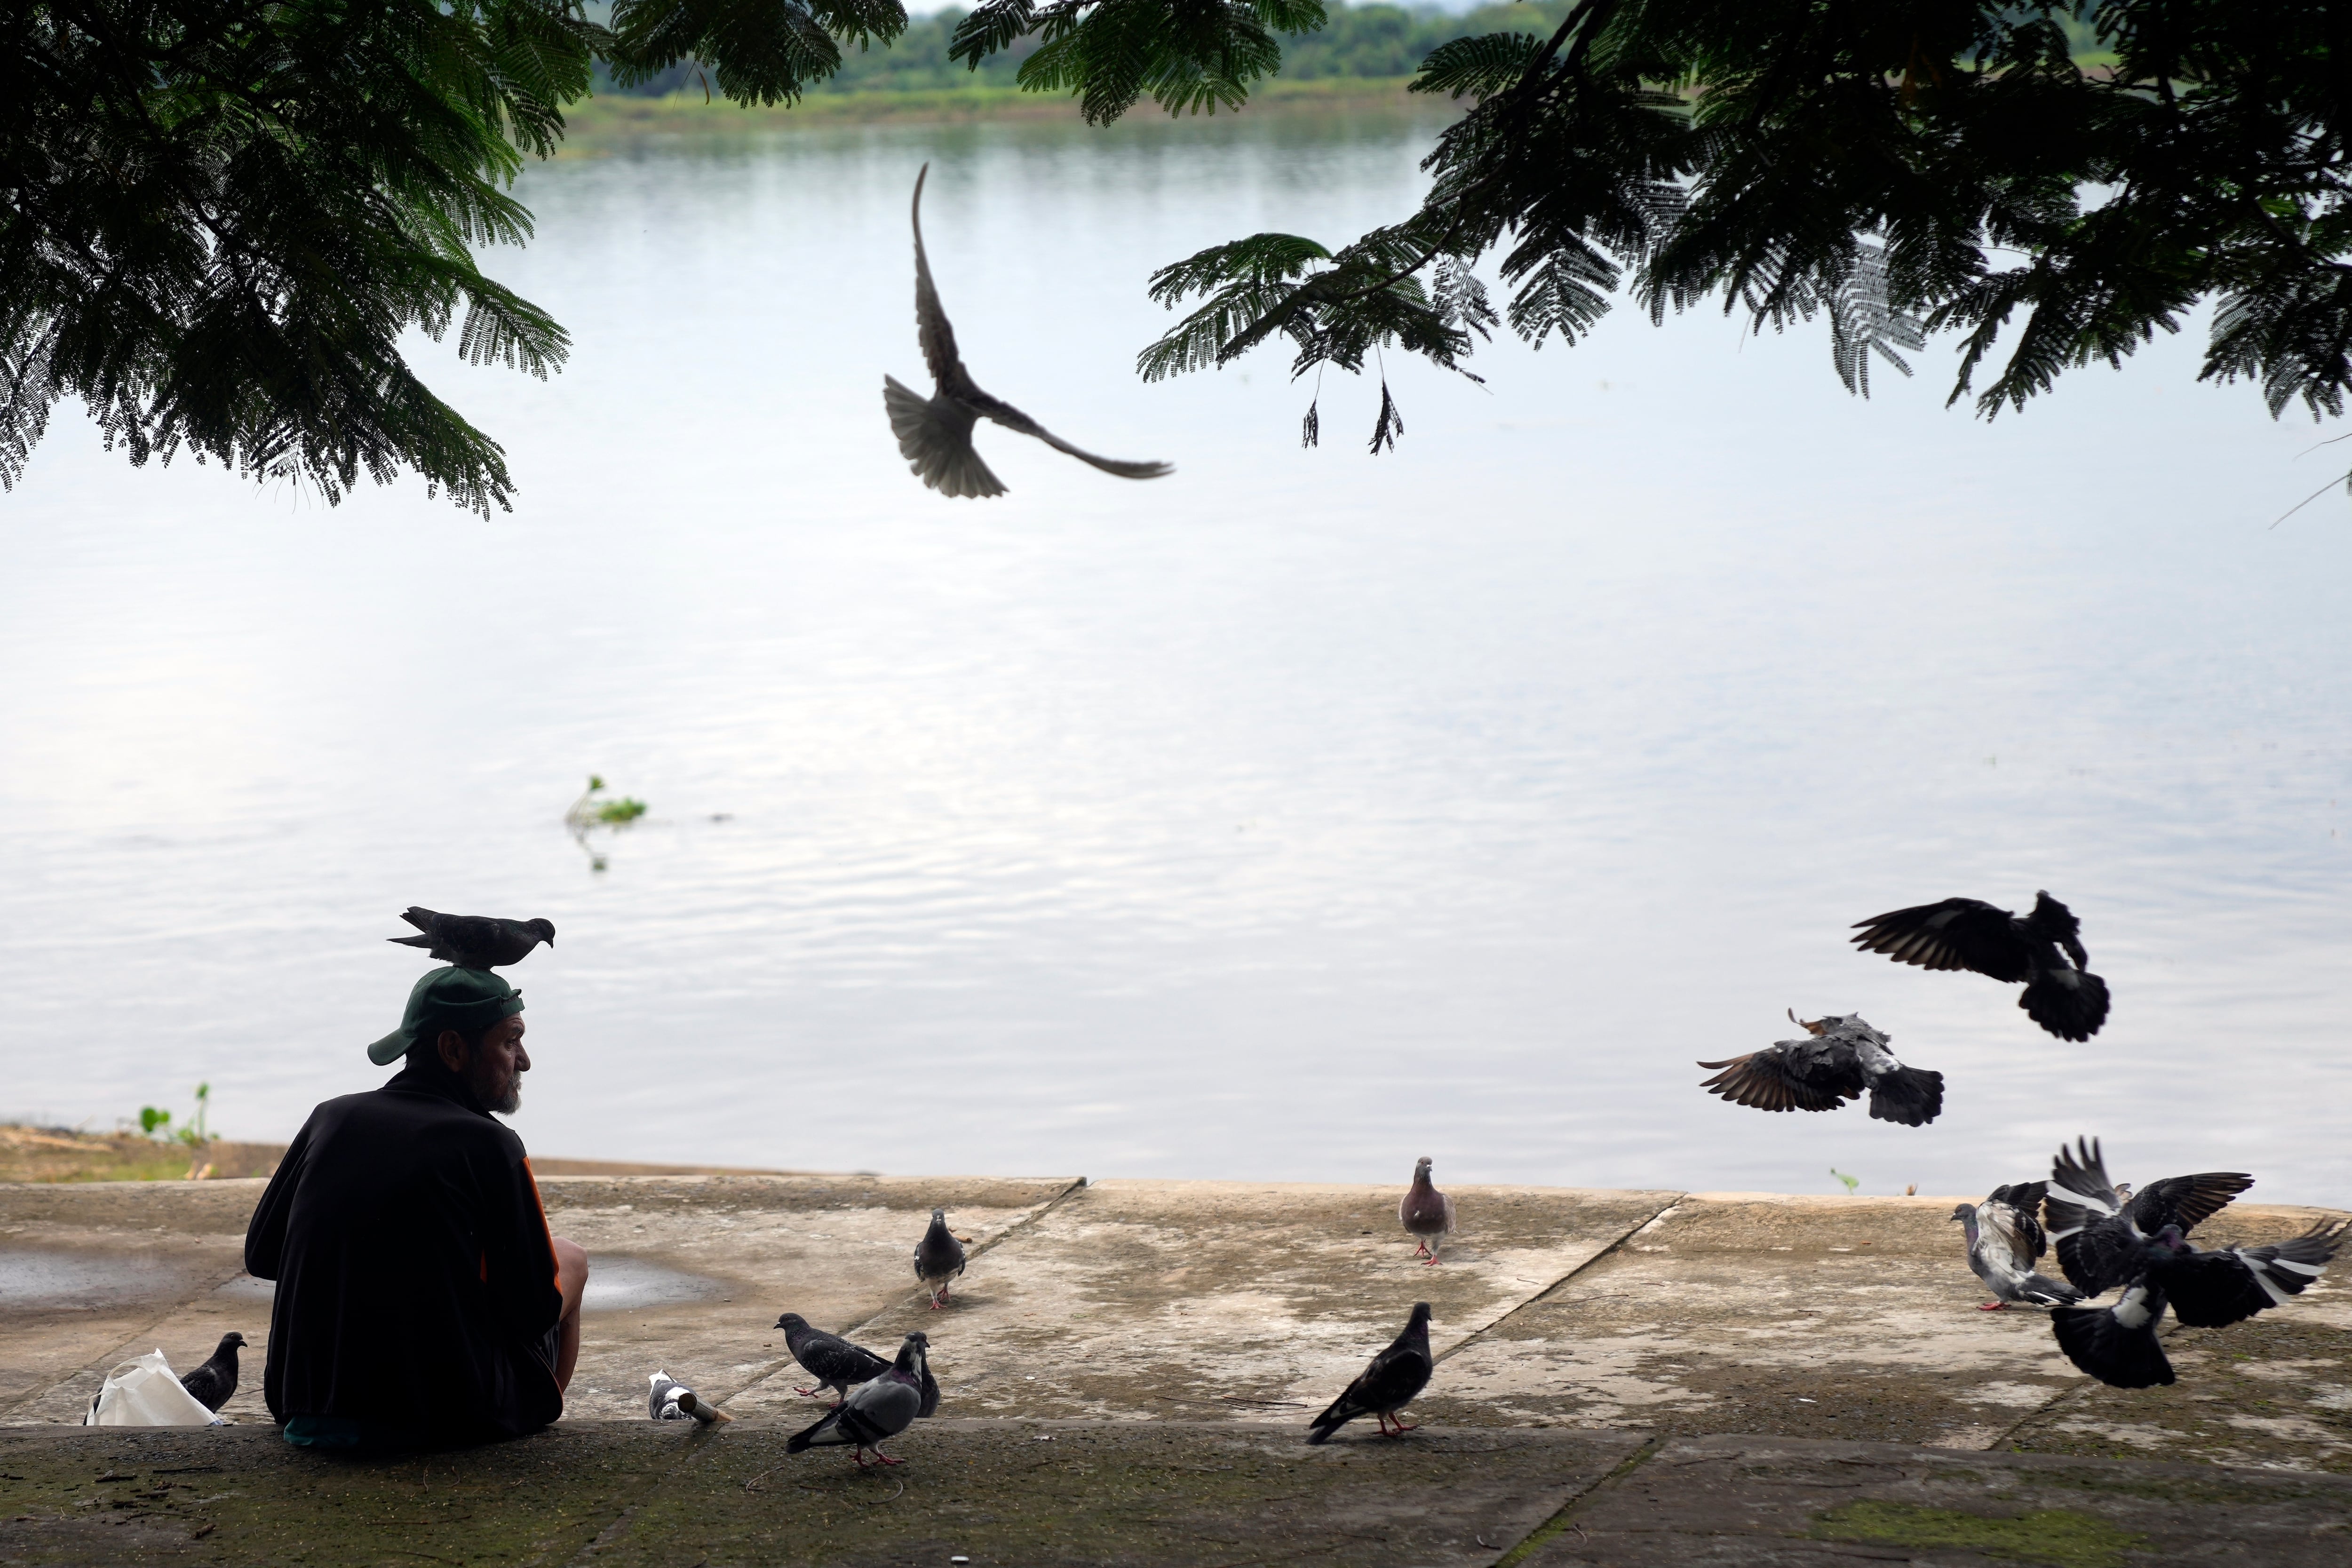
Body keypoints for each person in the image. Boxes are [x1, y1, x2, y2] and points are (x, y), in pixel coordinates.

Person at [245, 966, 588, 1448]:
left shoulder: (331, 1117)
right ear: (453, 1049)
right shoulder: (490, 1144)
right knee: (569, 1258)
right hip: (448, 1418)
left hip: (301, 1404)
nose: (524, 1062)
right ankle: (533, 1412)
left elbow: (262, 1256)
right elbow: (534, 1311)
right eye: (511, 1042)